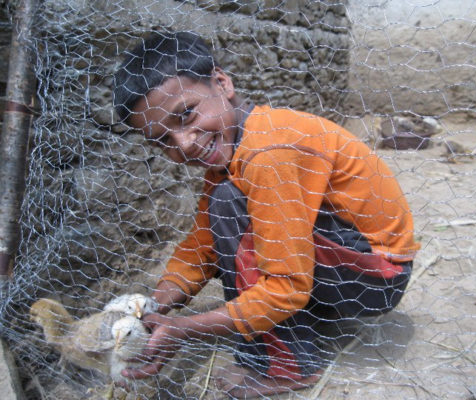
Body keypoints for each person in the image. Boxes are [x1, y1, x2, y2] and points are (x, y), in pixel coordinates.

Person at [112, 31, 420, 398]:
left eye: (187, 115)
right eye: (163, 139)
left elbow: (288, 287)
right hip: (352, 263)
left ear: (222, 83)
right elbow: (202, 246)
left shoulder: (268, 152)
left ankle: (287, 366)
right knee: (226, 206)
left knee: (229, 204)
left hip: (379, 277)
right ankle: (310, 321)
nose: (185, 143)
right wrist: (151, 307)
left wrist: (186, 328)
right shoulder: (233, 147)